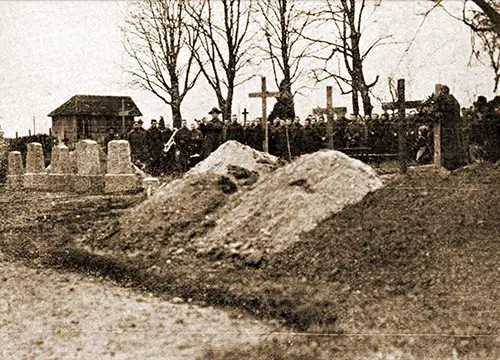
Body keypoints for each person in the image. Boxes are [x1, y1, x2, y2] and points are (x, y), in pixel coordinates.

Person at [432, 86, 466, 170]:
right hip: (454, 126)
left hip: (448, 126)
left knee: (448, 145)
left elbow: (446, 109)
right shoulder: (453, 100)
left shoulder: (447, 100)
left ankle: (450, 165)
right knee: (454, 144)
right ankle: (455, 163)